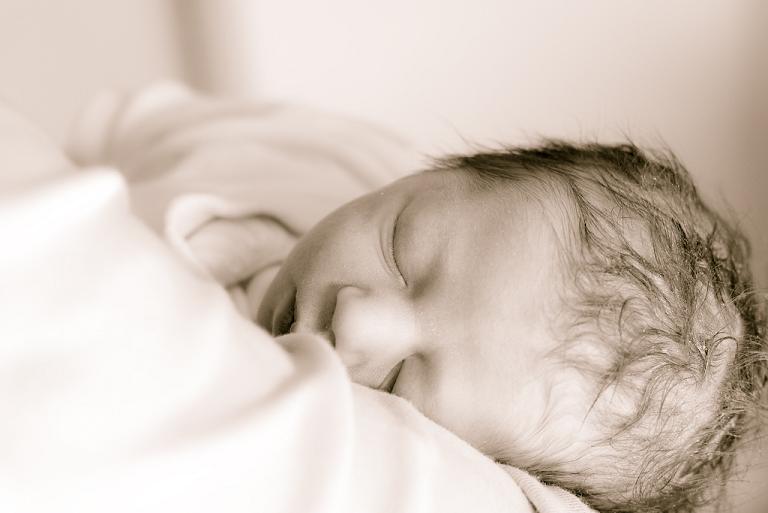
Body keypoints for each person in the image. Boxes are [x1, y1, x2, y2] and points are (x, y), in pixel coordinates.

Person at [70, 85, 767, 513]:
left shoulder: (265, 447)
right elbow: (131, 120)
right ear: (430, 174)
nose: (358, 314)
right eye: (401, 242)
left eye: (405, 380)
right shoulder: (315, 158)